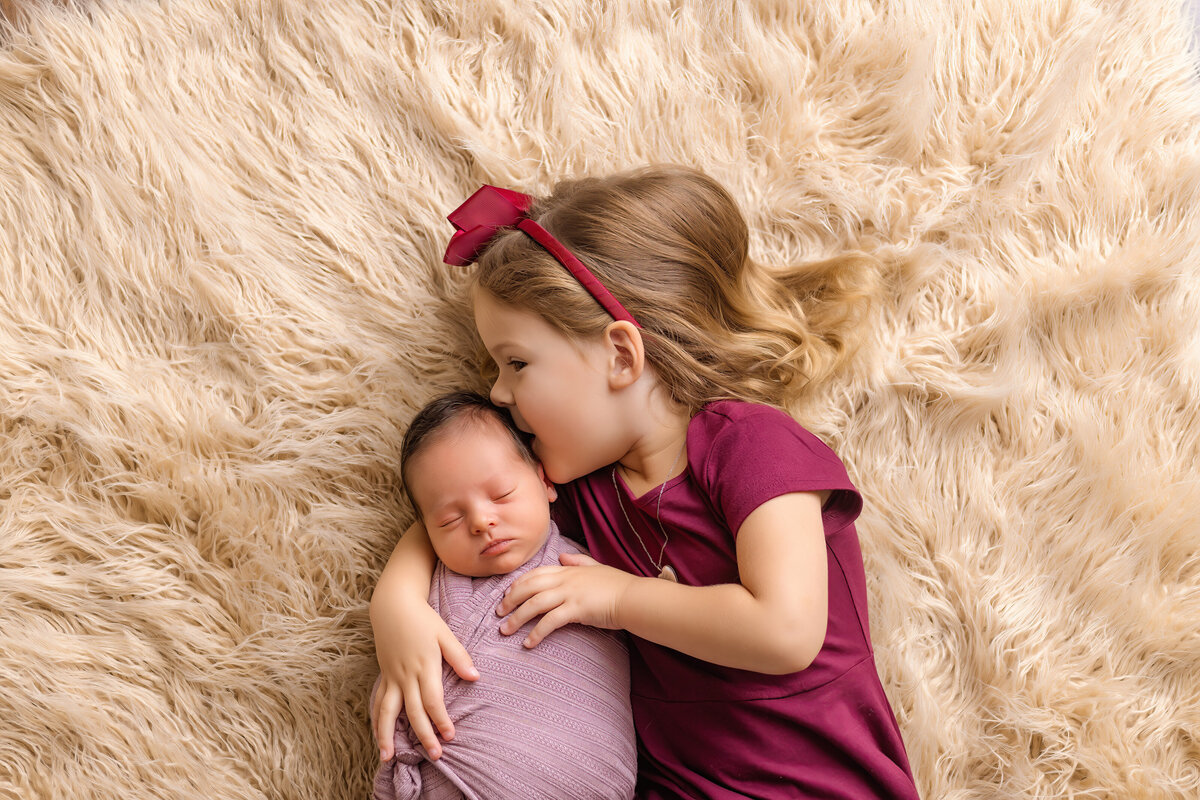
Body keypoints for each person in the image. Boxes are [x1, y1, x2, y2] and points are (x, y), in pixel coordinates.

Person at [370, 165, 920, 799]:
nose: (497, 391)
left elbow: (785, 631)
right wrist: (397, 606)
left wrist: (616, 599)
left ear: (620, 356)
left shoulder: (750, 446)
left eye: (516, 363)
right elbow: (455, 508)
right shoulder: (581, 487)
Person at [370, 391, 636, 800]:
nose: (481, 520)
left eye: (501, 495)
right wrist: (395, 602)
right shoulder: (427, 585)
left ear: (545, 481)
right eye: (450, 518)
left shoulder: (594, 565)